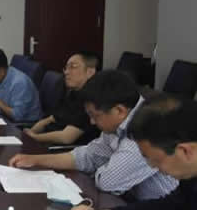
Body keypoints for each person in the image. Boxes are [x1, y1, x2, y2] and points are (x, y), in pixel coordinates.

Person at [9, 70, 178, 201]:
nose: (91, 122)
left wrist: (99, 167)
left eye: (95, 116)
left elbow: (108, 182)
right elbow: (87, 156)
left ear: (119, 110)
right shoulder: (118, 123)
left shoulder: (146, 128)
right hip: (130, 204)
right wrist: (36, 160)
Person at [71, 96, 196, 210]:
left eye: (156, 160)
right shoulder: (190, 178)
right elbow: (171, 207)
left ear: (186, 151)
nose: (152, 166)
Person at [24, 51, 100, 145]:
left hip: (59, 149)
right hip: (44, 141)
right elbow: (50, 119)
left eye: (73, 67)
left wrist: (35, 137)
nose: (66, 72)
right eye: (66, 68)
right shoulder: (72, 93)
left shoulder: (91, 101)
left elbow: (66, 138)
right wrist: (29, 133)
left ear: (90, 72)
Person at [0, 48, 42, 122]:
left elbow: (17, 116)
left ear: (0, 71)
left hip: (25, 124)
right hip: (5, 118)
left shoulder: (20, 83)